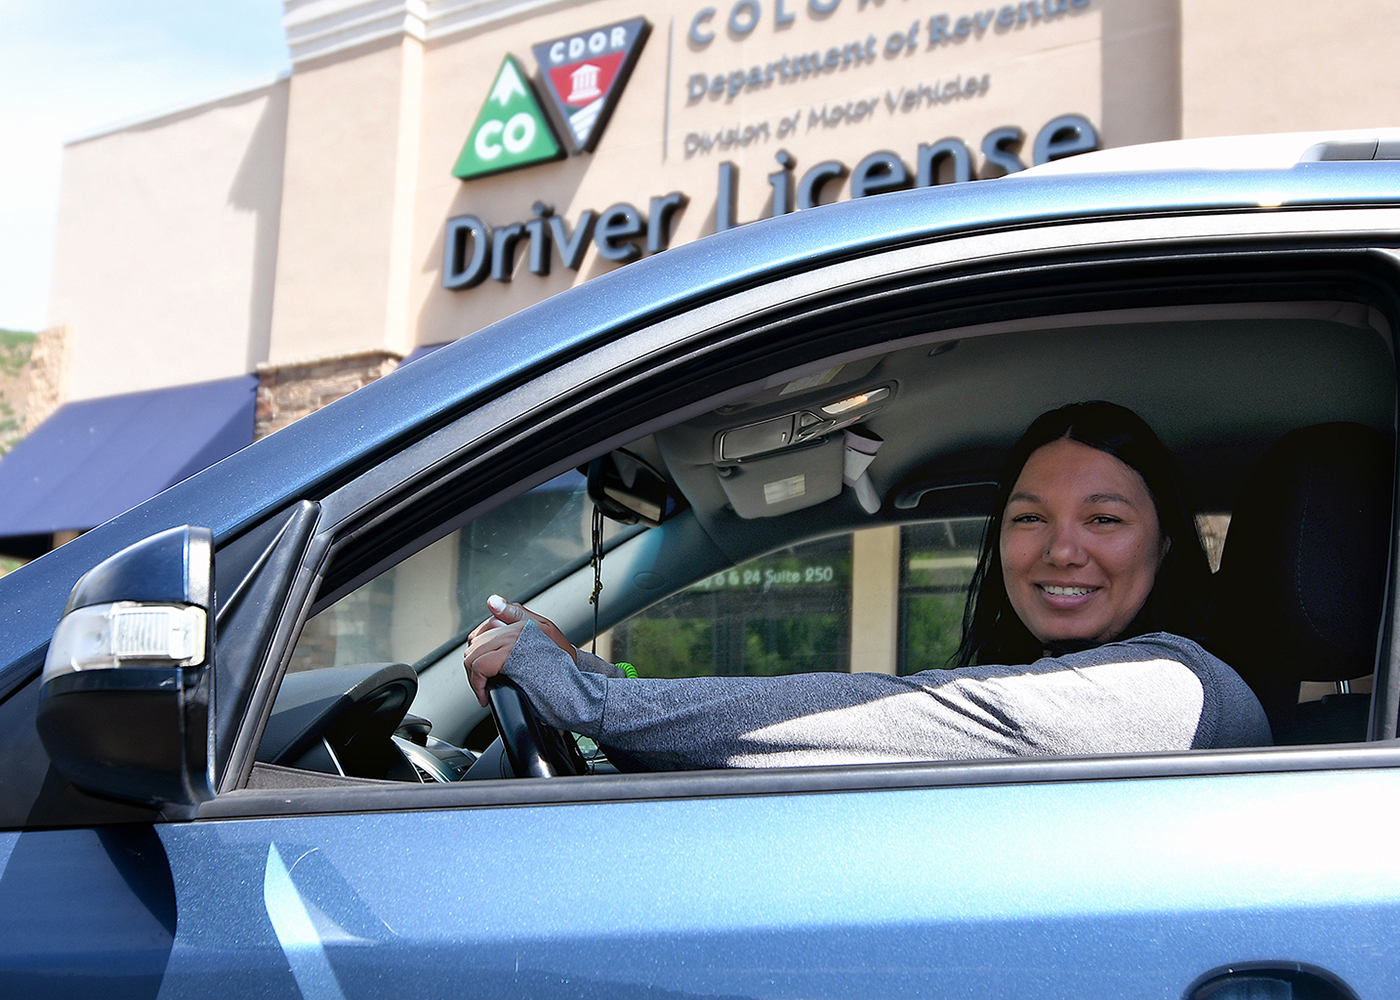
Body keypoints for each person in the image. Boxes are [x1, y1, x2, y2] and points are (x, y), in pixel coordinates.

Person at [463, 401, 1271, 769]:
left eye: (1103, 519)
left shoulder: (1172, 689)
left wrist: (595, 703)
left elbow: (882, 720)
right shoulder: (1078, 684)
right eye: (1028, 519)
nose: (1061, 550)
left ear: (1165, 545)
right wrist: (600, 683)